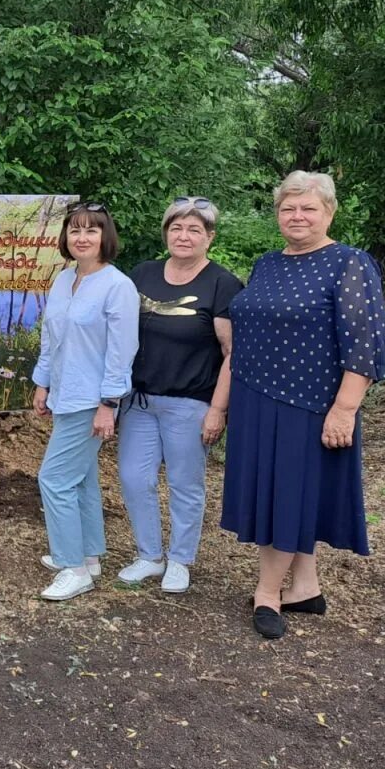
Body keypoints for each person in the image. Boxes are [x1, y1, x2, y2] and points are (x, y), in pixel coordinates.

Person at [221, 171, 385, 639]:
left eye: (308, 208)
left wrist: (346, 409)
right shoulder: (267, 264)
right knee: (286, 496)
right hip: (256, 398)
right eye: (288, 208)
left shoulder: (348, 263)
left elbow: (365, 345)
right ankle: (305, 589)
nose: (297, 216)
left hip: (308, 403)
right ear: (277, 214)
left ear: (329, 212)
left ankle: (268, 593)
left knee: (285, 496)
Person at [115, 197, 242, 594]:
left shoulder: (222, 283)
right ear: (166, 232)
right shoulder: (142, 275)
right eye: (176, 228)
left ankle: (180, 560)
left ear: (210, 237)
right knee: (134, 479)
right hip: (139, 402)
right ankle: (149, 556)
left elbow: (231, 353)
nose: (183, 236)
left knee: (185, 484)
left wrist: (218, 410)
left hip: (190, 403)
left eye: (194, 230)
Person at [31, 201, 139, 601]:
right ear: (66, 237)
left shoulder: (118, 286)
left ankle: (72, 567)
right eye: (75, 230)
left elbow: (122, 350)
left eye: (91, 230)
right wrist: (43, 383)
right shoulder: (63, 280)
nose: (82, 238)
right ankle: (89, 555)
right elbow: (51, 337)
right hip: (64, 393)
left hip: (91, 400)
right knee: (80, 478)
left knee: (54, 479)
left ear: (104, 237)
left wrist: (109, 403)